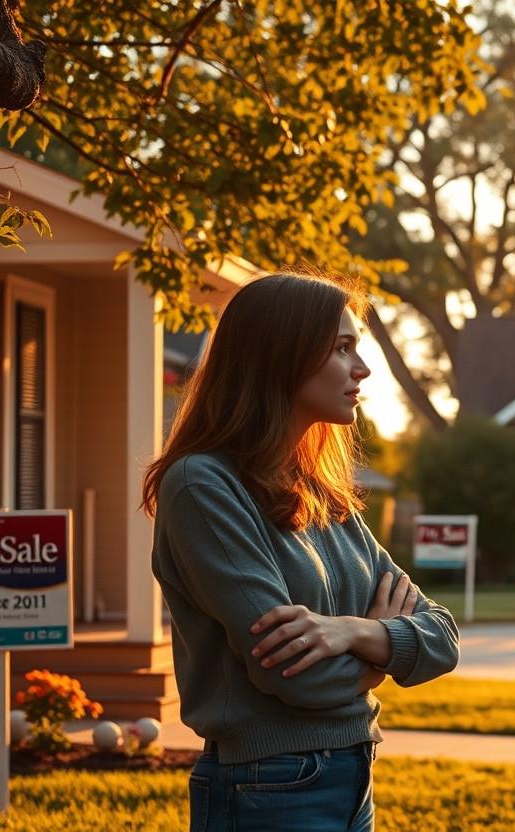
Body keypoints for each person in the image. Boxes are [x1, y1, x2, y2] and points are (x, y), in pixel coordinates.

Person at [141, 271, 459, 832]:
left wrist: (353, 633)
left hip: (352, 776)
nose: (362, 369)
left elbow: (442, 637)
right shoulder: (202, 487)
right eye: (342, 348)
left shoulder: (321, 493)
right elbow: (296, 678)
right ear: (280, 354)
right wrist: (386, 651)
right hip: (269, 786)